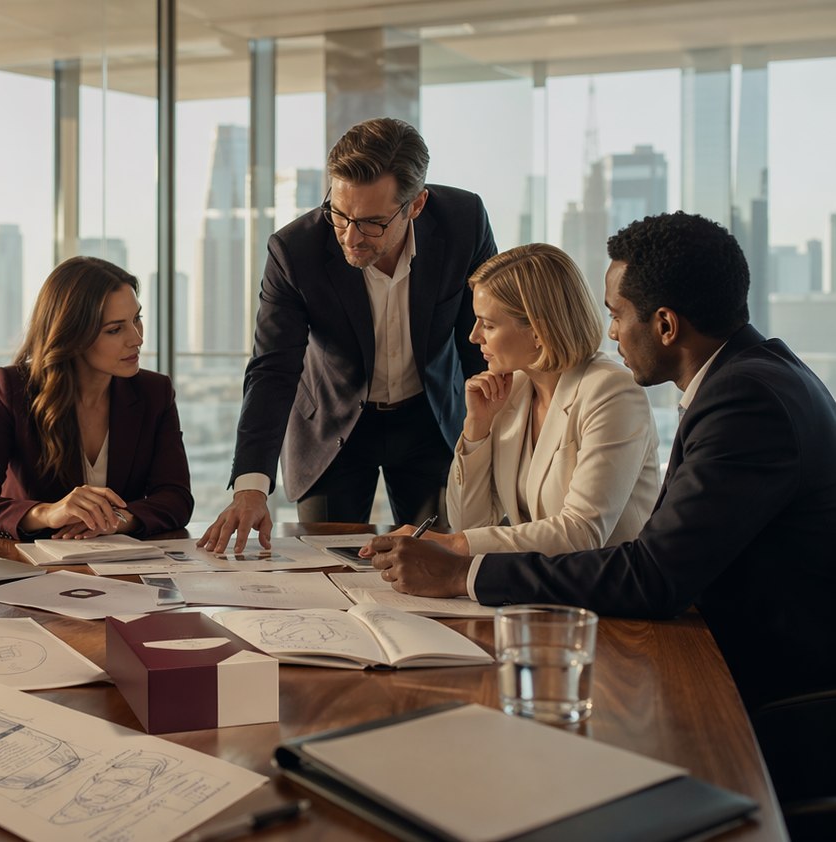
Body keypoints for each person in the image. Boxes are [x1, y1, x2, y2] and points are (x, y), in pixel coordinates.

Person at [368, 212, 836, 710]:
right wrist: (477, 432)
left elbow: (653, 575)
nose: (610, 333)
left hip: (776, 688)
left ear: (665, 325)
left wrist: (460, 572)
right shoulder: (748, 381)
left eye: (616, 315)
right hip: (724, 650)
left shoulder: (745, 402)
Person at [201, 117, 497, 552]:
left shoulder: (463, 223)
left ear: (416, 205)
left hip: (431, 421)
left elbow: (485, 338)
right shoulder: (294, 250)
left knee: (439, 558)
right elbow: (273, 369)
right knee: (326, 564)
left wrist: (495, 440)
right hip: (332, 428)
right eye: (339, 215)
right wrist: (251, 485)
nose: (350, 237)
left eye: (372, 222)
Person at [390, 243, 661, 556]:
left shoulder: (612, 391)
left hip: (610, 581)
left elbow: (582, 533)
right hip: (541, 578)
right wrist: (477, 428)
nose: (474, 336)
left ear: (537, 332)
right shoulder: (512, 389)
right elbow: (470, 523)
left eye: (488, 324)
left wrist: (450, 543)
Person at [0, 256, 192, 540]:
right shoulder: (12, 389)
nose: (137, 338)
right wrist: (47, 513)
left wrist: (116, 520)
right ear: (72, 335)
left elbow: (176, 498)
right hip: (29, 561)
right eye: (115, 329)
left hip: (117, 562)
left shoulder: (154, 392)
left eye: (137, 319)